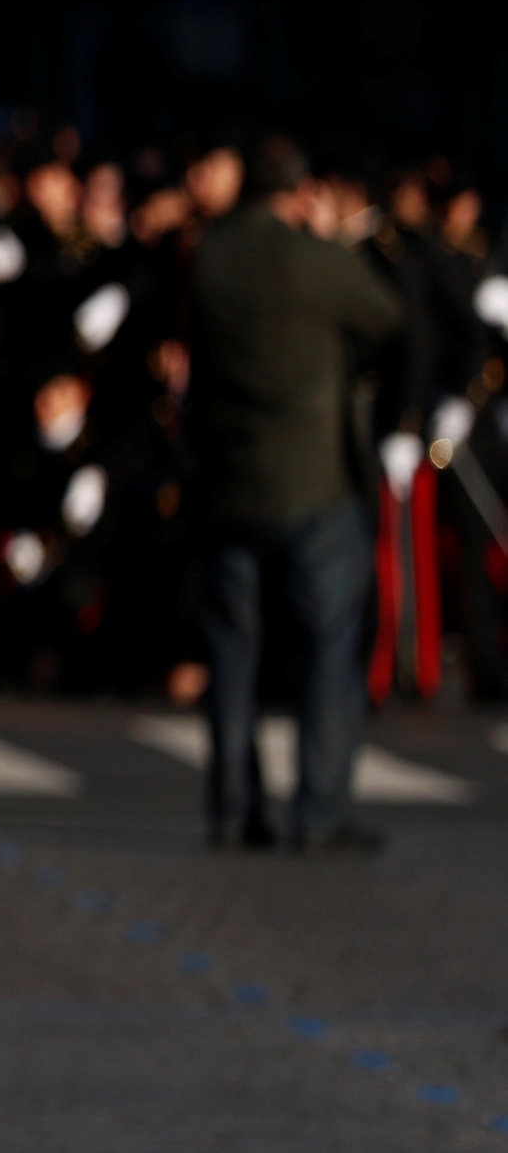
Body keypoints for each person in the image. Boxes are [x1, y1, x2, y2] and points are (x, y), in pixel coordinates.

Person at [183, 139, 402, 854]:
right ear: (302, 193)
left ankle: (232, 806)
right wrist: (331, 239)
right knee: (328, 650)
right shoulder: (313, 258)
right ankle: (319, 808)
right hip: (314, 479)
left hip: (232, 477)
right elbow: (384, 315)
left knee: (234, 654)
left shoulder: (212, 257)